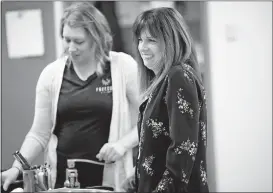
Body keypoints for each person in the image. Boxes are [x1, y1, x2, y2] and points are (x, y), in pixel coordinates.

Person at [1, 2, 139, 191]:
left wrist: (122, 145)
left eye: (78, 41)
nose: (71, 47)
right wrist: (17, 168)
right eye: (67, 40)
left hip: (110, 181)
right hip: (63, 181)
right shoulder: (51, 74)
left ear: (96, 38)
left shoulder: (123, 67)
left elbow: (149, 119)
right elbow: (39, 133)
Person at [122, 7, 209, 192]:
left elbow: (182, 150)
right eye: (140, 40)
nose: (142, 47)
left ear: (171, 42)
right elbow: (159, 144)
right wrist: (137, 175)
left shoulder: (178, 76)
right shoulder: (163, 81)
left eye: (151, 40)